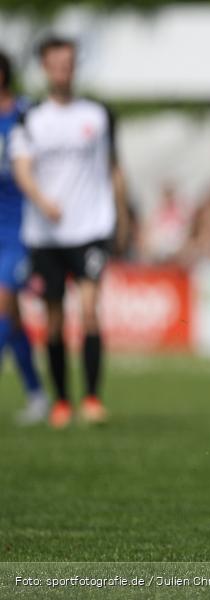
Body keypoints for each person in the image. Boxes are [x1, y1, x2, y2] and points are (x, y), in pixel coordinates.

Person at [10, 36, 129, 428]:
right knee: (56, 318)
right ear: (45, 68)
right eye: (56, 64)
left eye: (69, 63)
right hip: (45, 236)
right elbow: (22, 168)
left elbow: (113, 167)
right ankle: (61, 400)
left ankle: (92, 398)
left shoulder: (97, 115)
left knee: (91, 312)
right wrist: (42, 200)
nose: (63, 70)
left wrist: (122, 216)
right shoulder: (31, 119)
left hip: (90, 229)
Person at [0, 50, 49, 425]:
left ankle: (38, 395)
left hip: (21, 228)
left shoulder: (27, 113)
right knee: (12, 317)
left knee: (4, 301)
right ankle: (36, 393)